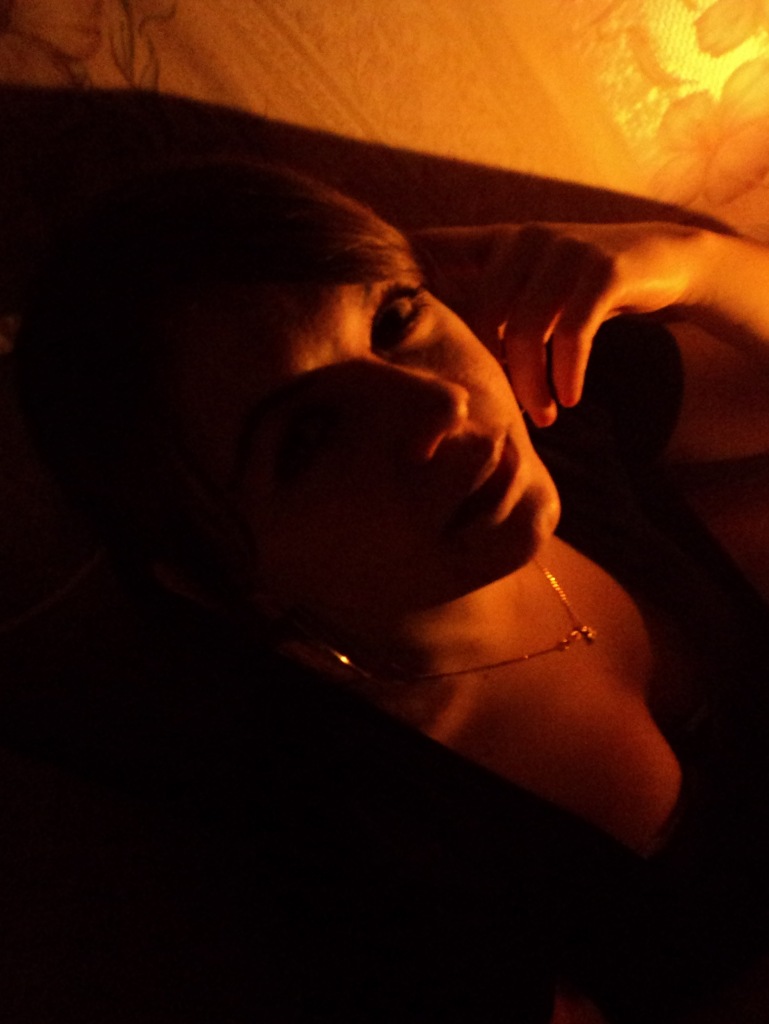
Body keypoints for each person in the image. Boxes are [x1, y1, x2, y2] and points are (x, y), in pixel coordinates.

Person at [14, 157, 769, 1023]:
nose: (435, 408)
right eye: (309, 436)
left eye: (395, 318)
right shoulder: (369, 846)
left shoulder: (551, 407)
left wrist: (691, 261)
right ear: (218, 581)